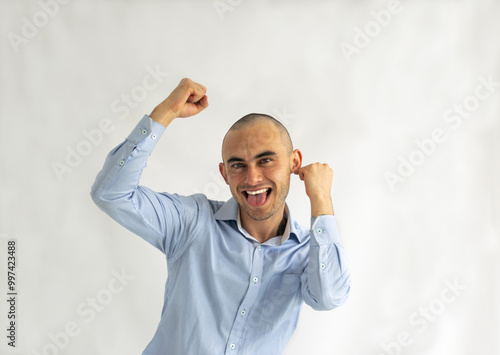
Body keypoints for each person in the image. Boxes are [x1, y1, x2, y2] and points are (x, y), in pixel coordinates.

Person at [90, 78, 351, 355]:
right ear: (224, 173)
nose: (252, 178)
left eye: (265, 160)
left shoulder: (306, 251)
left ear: (294, 162)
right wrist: (166, 111)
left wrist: (321, 199)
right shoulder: (193, 222)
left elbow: (329, 298)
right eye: (238, 165)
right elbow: (111, 194)